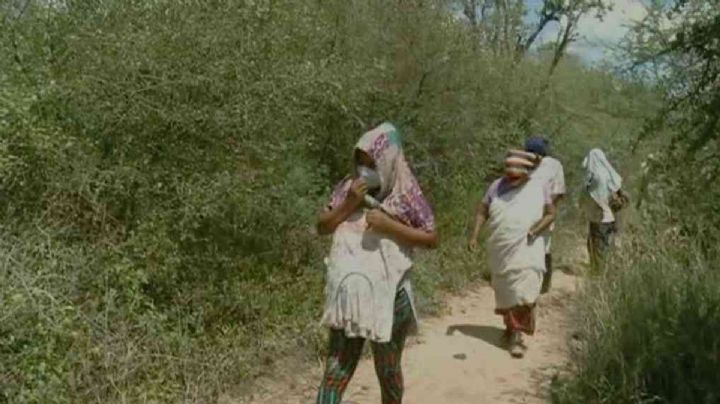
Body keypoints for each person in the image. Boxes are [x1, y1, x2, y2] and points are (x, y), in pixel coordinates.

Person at [315, 122, 438, 404]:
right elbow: (322, 226)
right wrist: (349, 204)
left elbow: (432, 238)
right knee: (335, 372)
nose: (364, 170)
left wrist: (388, 225)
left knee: (388, 369)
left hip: (391, 298)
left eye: (372, 163)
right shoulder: (347, 188)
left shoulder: (405, 193)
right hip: (351, 298)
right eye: (361, 162)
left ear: (388, 162)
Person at [468, 150, 556, 358]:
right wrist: (474, 235)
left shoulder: (538, 186)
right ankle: (510, 327)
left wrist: (535, 230)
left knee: (525, 287)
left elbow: (551, 213)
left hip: (528, 245)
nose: (512, 174)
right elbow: (483, 211)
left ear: (527, 171)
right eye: (509, 169)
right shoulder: (496, 187)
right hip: (501, 247)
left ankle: (517, 335)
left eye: (517, 170)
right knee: (506, 288)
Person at [525, 137, 566, 294]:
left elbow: (559, 191)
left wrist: (544, 206)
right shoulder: (525, 164)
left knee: (544, 247)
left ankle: (544, 284)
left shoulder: (554, 165)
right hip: (524, 212)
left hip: (544, 213)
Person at [582, 148, 625, 272]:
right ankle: (610, 272)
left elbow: (585, 195)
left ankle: (599, 275)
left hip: (598, 217)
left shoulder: (593, 177)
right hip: (611, 217)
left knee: (596, 247)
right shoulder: (611, 175)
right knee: (607, 246)